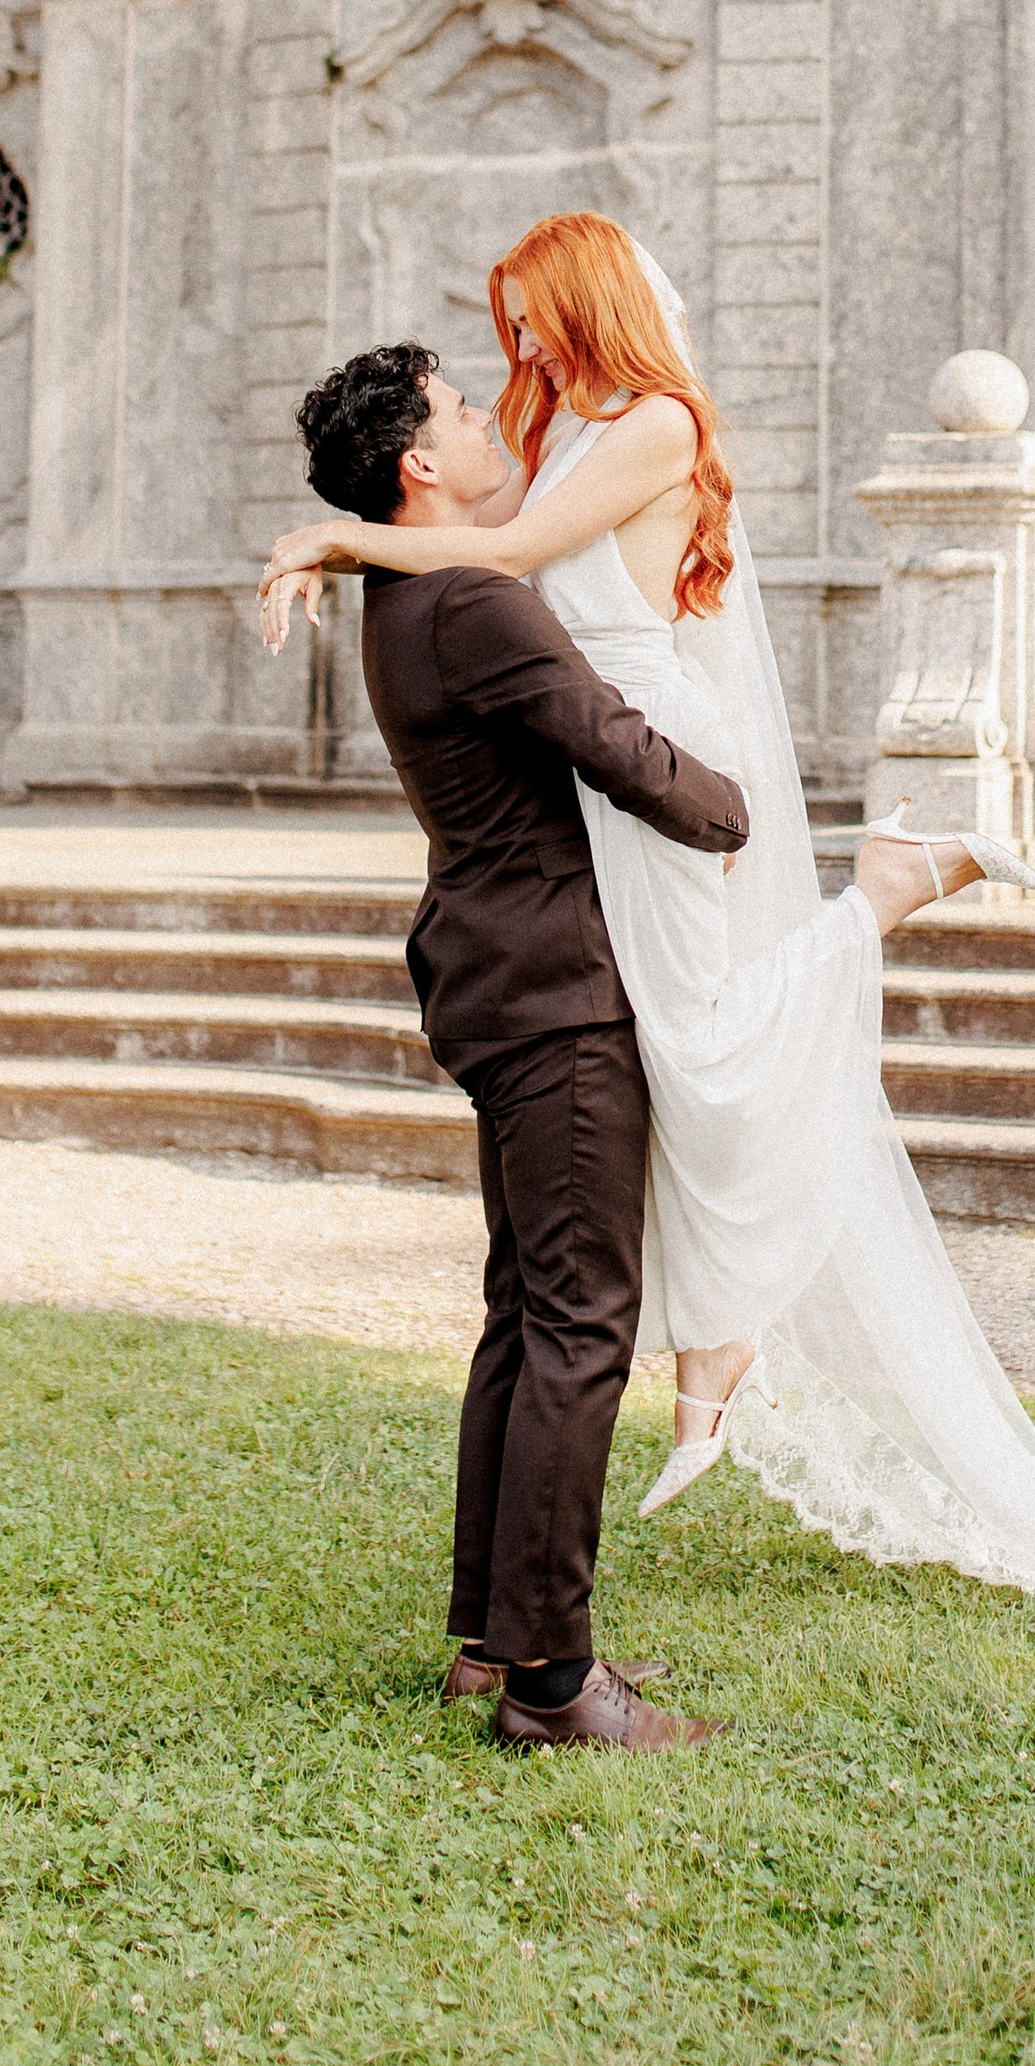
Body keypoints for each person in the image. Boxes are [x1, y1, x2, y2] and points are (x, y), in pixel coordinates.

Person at [264, 214, 1035, 1598]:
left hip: (662, 760)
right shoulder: (558, 441)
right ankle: (713, 1341)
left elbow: (492, 564)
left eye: (529, 323)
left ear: (586, 306)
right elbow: (465, 544)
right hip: (610, 784)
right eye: (494, 339)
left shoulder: (651, 425)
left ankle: (868, 918)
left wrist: (329, 540)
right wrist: (347, 538)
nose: (513, 353)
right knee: (668, 1066)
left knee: (690, 1043)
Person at [299, 340, 750, 1754]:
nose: (500, 424)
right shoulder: (477, 603)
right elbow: (606, 739)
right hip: (555, 985)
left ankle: (490, 1647)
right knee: (577, 1324)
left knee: (526, 1313)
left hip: (497, 970)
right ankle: (555, 1683)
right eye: (466, 412)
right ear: (418, 467)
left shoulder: (403, 594)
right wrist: (733, 812)